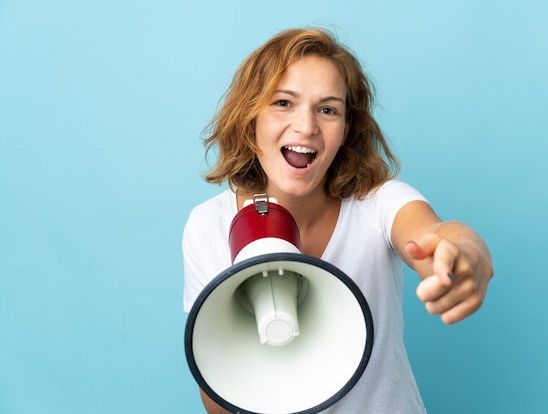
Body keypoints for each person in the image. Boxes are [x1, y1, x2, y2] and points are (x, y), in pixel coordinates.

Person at [182, 27, 494, 414]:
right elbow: (218, 404)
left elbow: (433, 234)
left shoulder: (377, 202)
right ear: (251, 120)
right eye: (283, 103)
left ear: (345, 131)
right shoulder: (208, 225)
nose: (306, 126)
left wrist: (467, 254)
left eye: (327, 109)